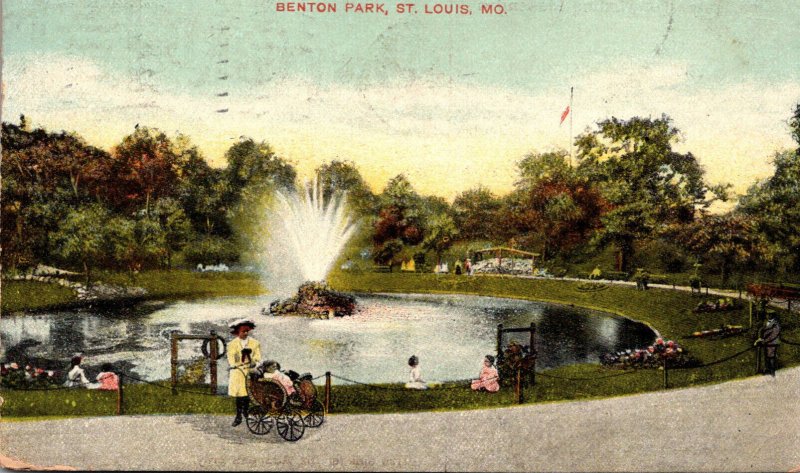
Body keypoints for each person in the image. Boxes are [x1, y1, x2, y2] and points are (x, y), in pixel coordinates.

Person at [227, 319, 262, 427]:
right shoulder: (232, 344)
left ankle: (246, 412)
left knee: (247, 393)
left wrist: (254, 362)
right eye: (243, 331)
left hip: (249, 369)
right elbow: (231, 357)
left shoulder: (255, 343)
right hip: (238, 371)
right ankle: (238, 416)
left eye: (247, 331)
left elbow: (257, 356)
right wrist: (234, 364)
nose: (245, 333)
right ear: (238, 332)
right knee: (239, 394)